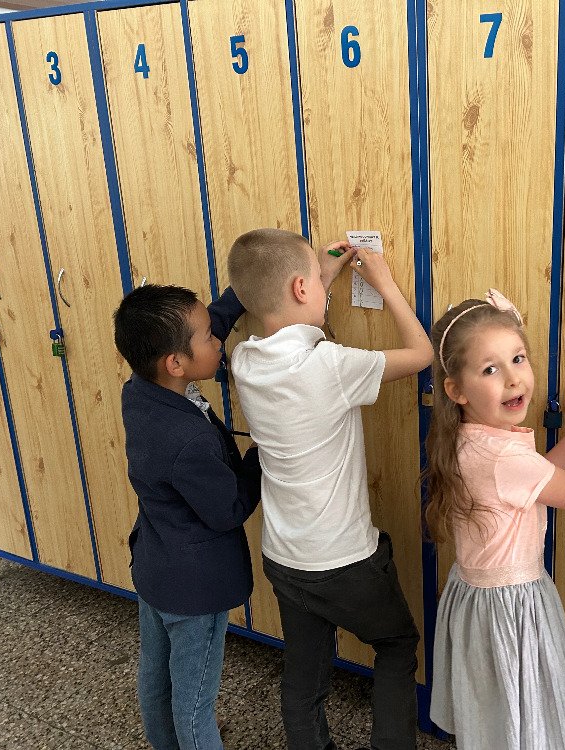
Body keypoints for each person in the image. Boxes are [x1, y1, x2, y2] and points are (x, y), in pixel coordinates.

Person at [226, 228, 432, 750]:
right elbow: (421, 353)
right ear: (301, 288)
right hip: (345, 562)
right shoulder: (331, 365)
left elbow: (293, 325)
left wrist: (320, 274)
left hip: (284, 557)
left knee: (306, 667)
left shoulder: (244, 360)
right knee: (396, 644)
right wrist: (385, 284)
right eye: (316, 283)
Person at [424, 290, 565, 749]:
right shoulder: (502, 455)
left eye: (518, 359)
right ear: (456, 390)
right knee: (524, 718)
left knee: (499, 715)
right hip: (510, 609)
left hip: (480, 602)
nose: (513, 379)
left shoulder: (474, 437)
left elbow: (536, 480)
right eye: (490, 369)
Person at [113, 284, 262, 750]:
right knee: (194, 704)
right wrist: (265, 449)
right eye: (209, 337)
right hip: (195, 588)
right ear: (176, 363)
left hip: (157, 567)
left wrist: (247, 285)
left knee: (156, 678)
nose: (219, 340)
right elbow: (229, 509)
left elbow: (201, 328)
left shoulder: (141, 390)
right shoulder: (186, 441)